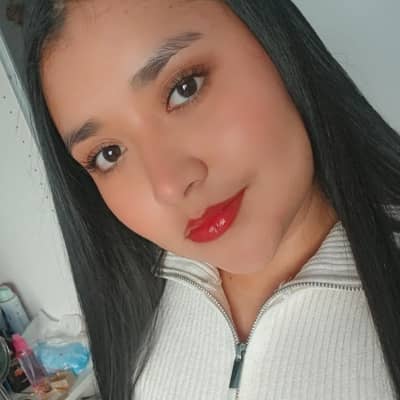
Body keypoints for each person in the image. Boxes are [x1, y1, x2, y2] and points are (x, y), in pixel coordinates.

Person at [22, 1, 400, 399]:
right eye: (109, 154)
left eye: (184, 88)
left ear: (274, 40)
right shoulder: (134, 305)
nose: (168, 186)